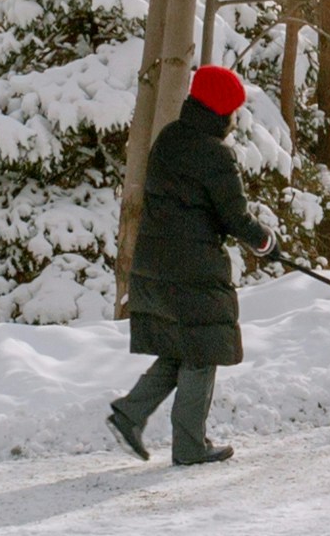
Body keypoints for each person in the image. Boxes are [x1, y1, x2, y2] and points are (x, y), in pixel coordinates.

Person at [111, 61, 268, 465]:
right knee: (203, 350)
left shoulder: (169, 138)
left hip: (155, 261)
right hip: (192, 267)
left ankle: (130, 413)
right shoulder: (215, 154)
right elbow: (234, 218)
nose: (235, 119)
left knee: (184, 345)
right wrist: (265, 242)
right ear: (220, 111)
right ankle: (190, 445)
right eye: (233, 111)